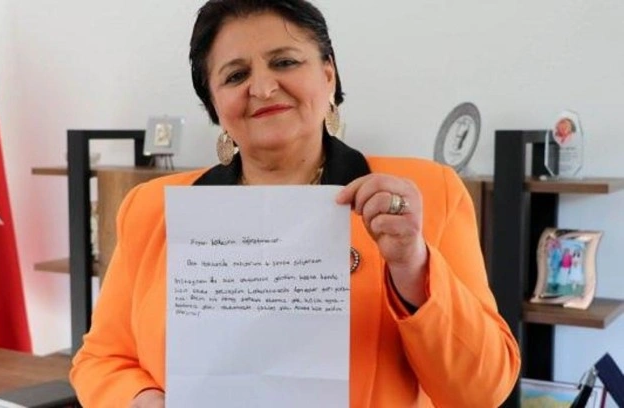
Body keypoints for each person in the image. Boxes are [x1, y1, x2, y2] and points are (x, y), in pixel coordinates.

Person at [69, 1, 521, 407]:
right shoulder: (152, 209)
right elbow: (101, 359)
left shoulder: (422, 194)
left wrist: (413, 266)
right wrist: (139, 400)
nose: (263, 88)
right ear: (214, 103)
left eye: (284, 62)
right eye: (235, 75)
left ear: (328, 75)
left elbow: (482, 392)